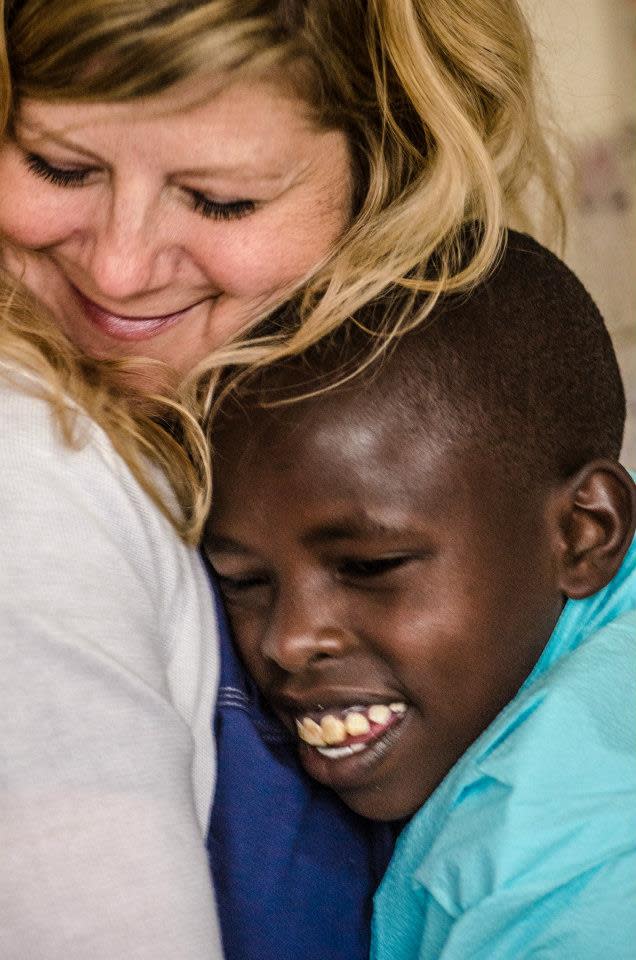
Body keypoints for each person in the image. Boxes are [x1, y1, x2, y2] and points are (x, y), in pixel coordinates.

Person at [0, 1, 561, 957]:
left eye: (220, 200)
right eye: (61, 166)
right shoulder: (30, 469)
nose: (120, 268)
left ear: (384, 183)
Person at [206, 230, 636, 960]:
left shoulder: (556, 864)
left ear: (583, 532)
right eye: (244, 583)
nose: (288, 639)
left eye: (371, 567)